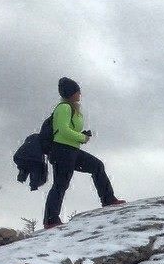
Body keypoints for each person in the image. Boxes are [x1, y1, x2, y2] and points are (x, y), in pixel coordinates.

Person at [43, 77, 124, 228]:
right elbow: (62, 130)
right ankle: (50, 220)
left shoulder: (73, 109)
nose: (80, 94)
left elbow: (68, 130)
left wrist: (82, 135)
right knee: (61, 184)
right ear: (72, 93)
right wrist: (82, 137)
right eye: (77, 91)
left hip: (72, 150)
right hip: (62, 151)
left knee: (97, 166)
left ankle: (108, 199)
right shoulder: (64, 108)